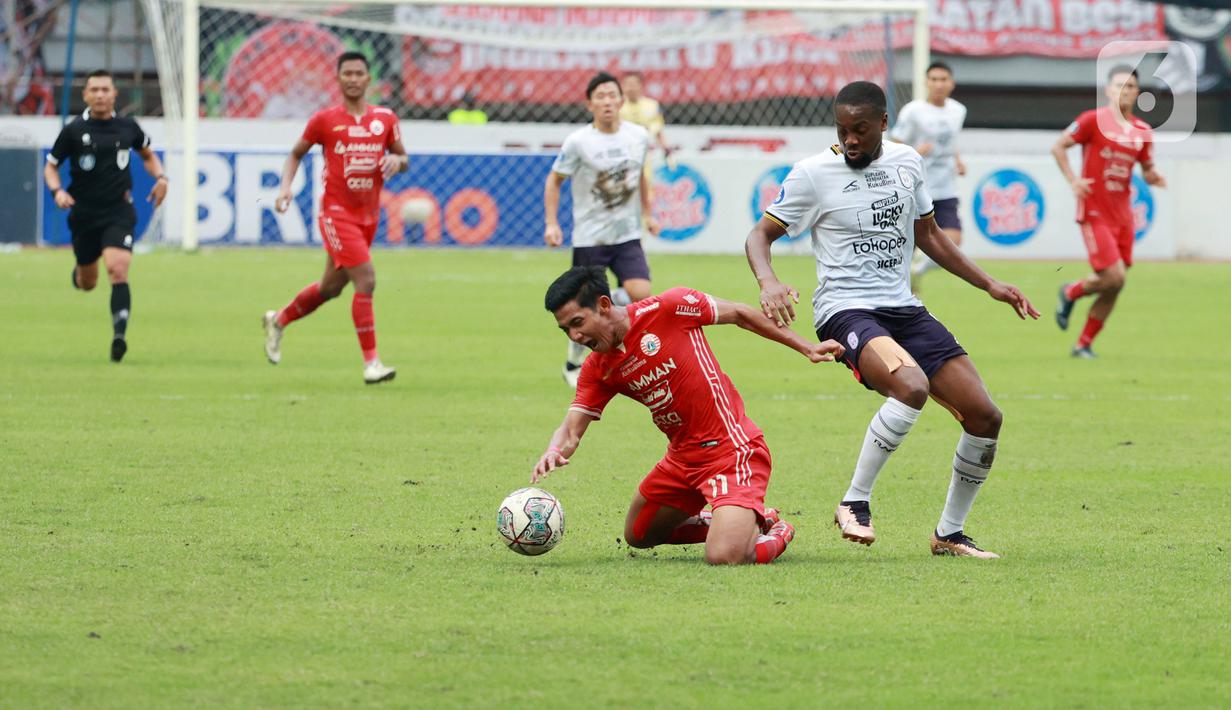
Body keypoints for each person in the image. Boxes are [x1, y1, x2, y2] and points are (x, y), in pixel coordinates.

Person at [745, 81, 1040, 559]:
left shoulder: (906, 163)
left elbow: (930, 235)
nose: (851, 140)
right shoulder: (813, 173)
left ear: (884, 123)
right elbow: (759, 236)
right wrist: (768, 282)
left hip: (904, 309)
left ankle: (950, 534)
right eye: (843, 130)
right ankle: (853, 501)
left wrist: (990, 284)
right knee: (911, 385)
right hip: (845, 310)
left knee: (985, 416)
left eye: (860, 129)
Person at [532, 266, 845, 565]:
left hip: (732, 451)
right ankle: (735, 520)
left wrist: (807, 347)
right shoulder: (598, 368)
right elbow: (571, 428)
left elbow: (740, 313)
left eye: (577, 322)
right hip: (682, 462)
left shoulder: (670, 307)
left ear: (603, 304)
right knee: (639, 533)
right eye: (565, 330)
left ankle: (772, 527)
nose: (573, 336)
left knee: (725, 556)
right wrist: (553, 450)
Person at [265, 51, 408, 384]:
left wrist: (396, 163)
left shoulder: (385, 119)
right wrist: (285, 188)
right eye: (348, 74)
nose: (354, 79)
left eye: (360, 73)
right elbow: (296, 154)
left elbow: (404, 158)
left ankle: (278, 320)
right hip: (335, 213)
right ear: (339, 78)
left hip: (368, 217)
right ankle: (372, 363)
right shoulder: (324, 120)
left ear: (369, 78)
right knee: (366, 280)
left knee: (330, 288)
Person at [543, 71, 660, 388]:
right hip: (590, 236)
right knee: (583, 307)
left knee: (641, 293)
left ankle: (621, 346)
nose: (607, 101)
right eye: (601, 96)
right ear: (589, 104)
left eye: (612, 95)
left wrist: (648, 214)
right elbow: (554, 180)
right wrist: (552, 223)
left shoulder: (638, 136)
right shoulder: (578, 142)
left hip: (626, 234)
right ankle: (573, 361)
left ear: (621, 101)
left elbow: (641, 178)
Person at [45, 69, 168, 362]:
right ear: (86, 95)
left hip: (118, 210)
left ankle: (119, 336)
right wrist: (57, 192)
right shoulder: (73, 130)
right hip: (84, 214)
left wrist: (162, 177)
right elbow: (50, 166)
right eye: (94, 90)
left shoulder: (128, 127)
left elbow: (148, 155)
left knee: (118, 268)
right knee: (89, 282)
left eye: (105, 90)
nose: (100, 95)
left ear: (114, 94)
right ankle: (80, 273)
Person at [1052, 65, 1165, 359]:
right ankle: (1071, 291)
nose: (1124, 91)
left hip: (1123, 215)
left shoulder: (1142, 131)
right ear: (1108, 90)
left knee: (1115, 285)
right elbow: (1059, 146)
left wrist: (1153, 176)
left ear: (1137, 93)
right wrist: (1074, 180)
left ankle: (1083, 344)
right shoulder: (1092, 120)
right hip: (1094, 210)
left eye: (1130, 87)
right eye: (1119, 86)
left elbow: (1147, 167)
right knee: (1114, 277)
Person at [890, 61, 967, 287]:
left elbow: (950, 142)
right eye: (934, 79)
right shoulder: (913, 111)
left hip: (945, 187)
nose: (938, 84)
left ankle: (919, 267)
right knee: (905, 245)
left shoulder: (958, 110)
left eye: (943, 80)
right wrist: (915, 152)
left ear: (951, 83)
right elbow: (895, 144)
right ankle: (902, 291)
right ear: (926, 82)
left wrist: (958, 160)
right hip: (916, 188)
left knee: (953, 242)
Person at [619, 72, 672, 166]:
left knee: (646, 177)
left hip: (646, 153)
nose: (631, 88)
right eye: (627, 84)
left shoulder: (652, 105)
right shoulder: (617, 106)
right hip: (622, 152)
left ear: (641, 86)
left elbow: (658, 131)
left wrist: (665, 150)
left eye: (634, 84)